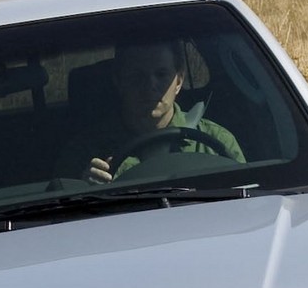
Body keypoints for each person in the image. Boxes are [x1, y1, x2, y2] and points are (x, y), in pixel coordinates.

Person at [53, 40, 244, 184]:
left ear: (178, 81)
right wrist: (83, 190)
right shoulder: (84, 152)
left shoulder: (216, 142)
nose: (150, 86)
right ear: (118, 82)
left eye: (161, 75)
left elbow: (249, 200)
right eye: (137, 76)